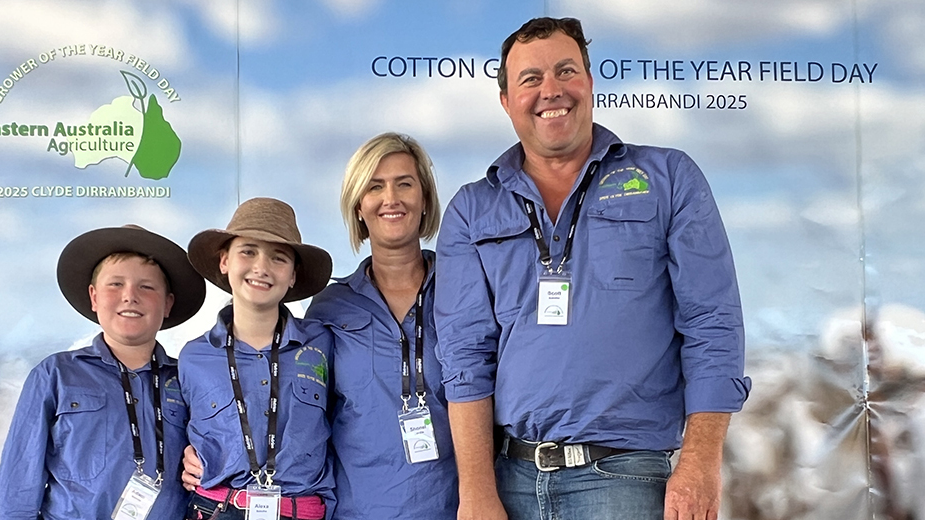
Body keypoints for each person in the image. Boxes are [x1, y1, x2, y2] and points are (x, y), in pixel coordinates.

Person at [434, 17, 752, 520]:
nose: (551, 90)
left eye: (566, 71)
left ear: (590, 80)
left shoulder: (668, 179)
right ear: (505, 101)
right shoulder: (472, 210)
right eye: (530, 79)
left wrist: (701, 462)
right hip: (510, 480)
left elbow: (713, 326)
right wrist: (476, 493)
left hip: (627, 480)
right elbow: (464, 357)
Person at [0, 224, 206, 520]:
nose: (130, 296)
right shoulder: (55, 375)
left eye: (146, 286)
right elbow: (18, 486)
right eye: (115, 284)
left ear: (168, 303)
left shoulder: (190, 379)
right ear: (94, 297)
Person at [304, 132, 458, 518]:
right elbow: (298, 411)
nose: (391, 198)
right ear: (359, 206)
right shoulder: (329, 308)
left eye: (404, 184)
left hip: (454, 507)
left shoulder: (466, 288)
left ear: (424, 199)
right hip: (359, 510)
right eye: (375, 186)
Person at [179, 197, 334, 520]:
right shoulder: (193, 357)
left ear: (293, 276)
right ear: (224, 261)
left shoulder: (324, 343)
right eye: (247, 252)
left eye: (278, 258)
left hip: (299, 510)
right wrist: (186, 456)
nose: (261, 268)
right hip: (217, 509)